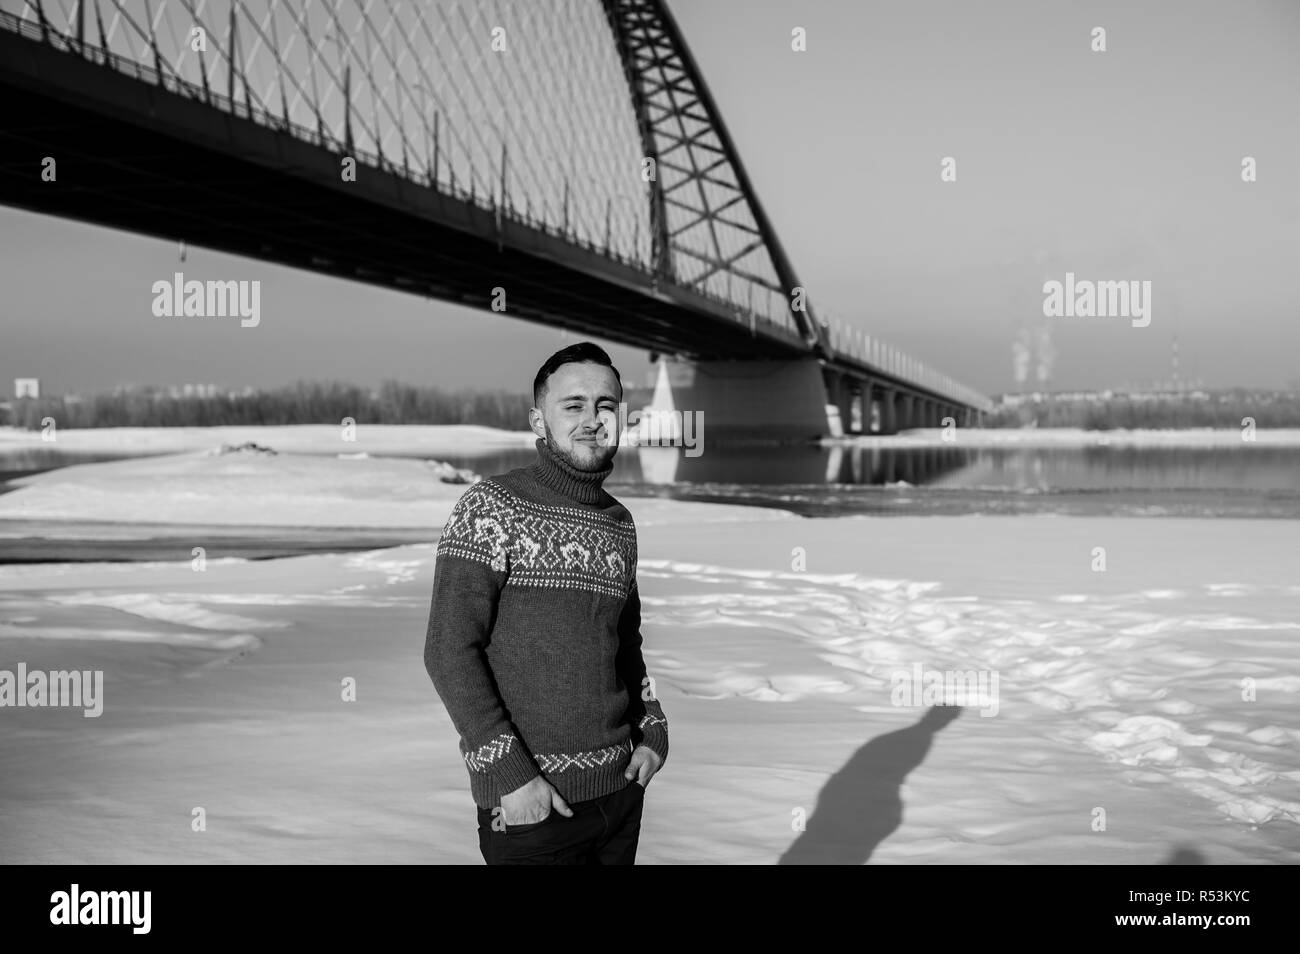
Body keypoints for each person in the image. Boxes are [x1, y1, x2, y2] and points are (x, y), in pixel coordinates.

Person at [424, 341, 669, 864]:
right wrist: (511, 779)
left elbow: (626, 645)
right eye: (573, 405)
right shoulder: (491, 507)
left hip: (620, 795)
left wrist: (652, 726)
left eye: (606, 405)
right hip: (535, 809)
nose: (593, 419)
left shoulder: (618, 523)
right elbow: (448, 651)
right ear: (539, 420)